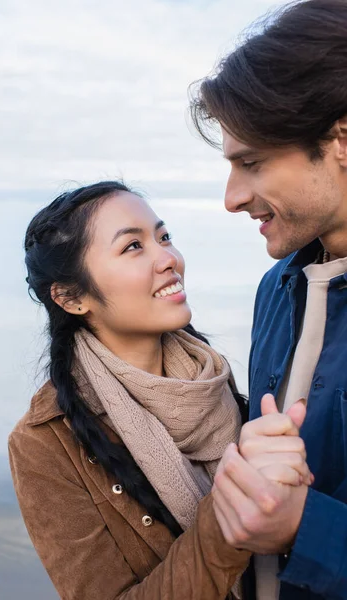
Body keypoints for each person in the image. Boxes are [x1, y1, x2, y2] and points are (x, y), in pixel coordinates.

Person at [9, 181, 310, 600]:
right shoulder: (45, 442)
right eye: (133, 247)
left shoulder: (207, 378)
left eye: (164, 237)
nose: (169, 258)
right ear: (71, 297)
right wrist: (229, 512)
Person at [190, 0, 347, 598]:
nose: (232, 198)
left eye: (250, 163)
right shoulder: (278, 287)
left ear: (340, 138)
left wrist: (306, 528)